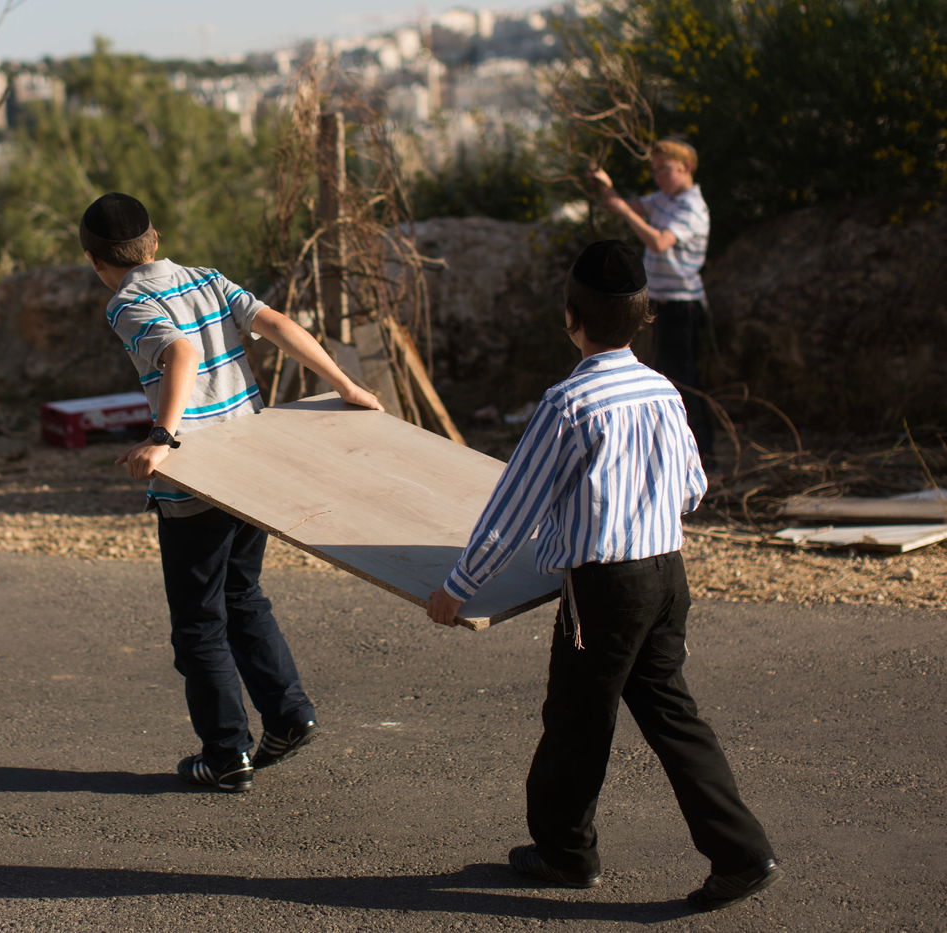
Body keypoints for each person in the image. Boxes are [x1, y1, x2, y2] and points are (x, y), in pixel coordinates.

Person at [425, 240, 780, 912]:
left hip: (605, 589)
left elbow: (513, 508)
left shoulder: (569, 403)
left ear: (570, 315)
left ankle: (565, 851)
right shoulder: (663, 389)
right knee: (673, 715)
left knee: (577, 719)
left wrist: (456, 588)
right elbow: (692, 487)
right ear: (645, 316)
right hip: (667, 574)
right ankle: (742, 852)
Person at [81, 192, 383, 793]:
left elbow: (181, 352)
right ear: (156, 239)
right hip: (252, 464)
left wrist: (163, 436)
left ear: (95, 261)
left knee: (198, 622)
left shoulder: (127, 303)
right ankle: (289, 717)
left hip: (198, 478)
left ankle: (224, 754)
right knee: (242, 594)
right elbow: (275, 325)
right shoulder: (207, 280)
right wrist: (347, 385)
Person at [590, 138, 717, 469]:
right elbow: (620, 203)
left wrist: (623, 211)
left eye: (665, 169)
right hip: (660, 301)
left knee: (683, 378)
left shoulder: (692, 207)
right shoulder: (662, 200)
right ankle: (673, 449)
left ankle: (703, 453)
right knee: (664, 374)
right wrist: (605, 186)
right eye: (655, 169)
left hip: (682, 304)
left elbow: (659, 242)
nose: (658, 176)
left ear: (685, 167)